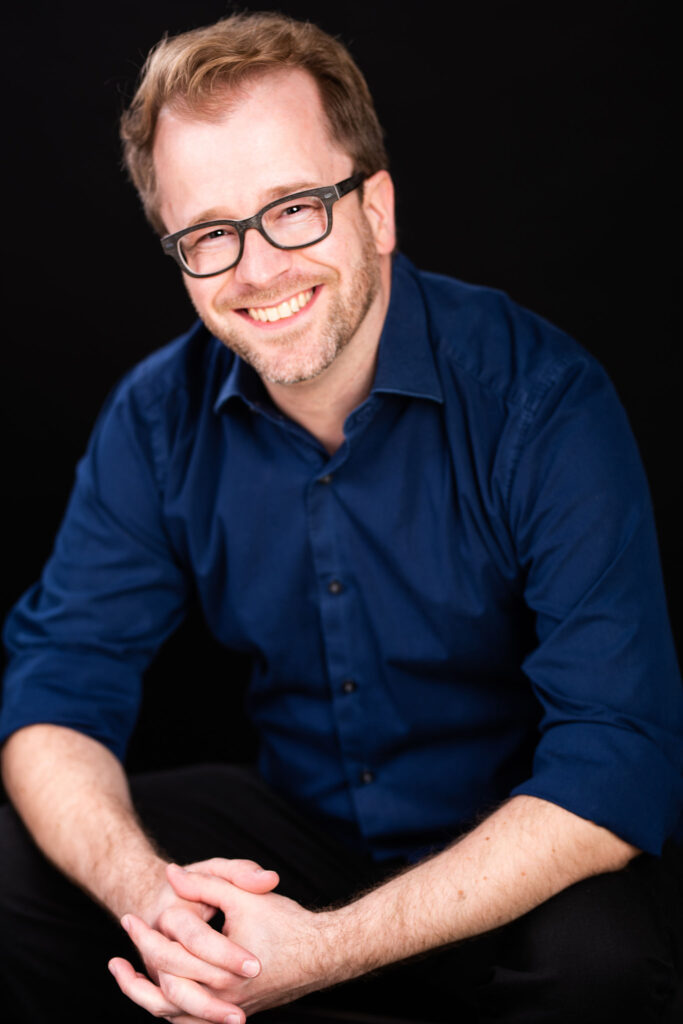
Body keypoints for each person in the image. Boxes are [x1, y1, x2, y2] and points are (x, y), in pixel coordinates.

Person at [1, 11, 681, 1023]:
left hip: (518, 852)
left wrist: (325, 952)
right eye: (210, 233)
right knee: (17, 866)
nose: (258, 267)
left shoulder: (539, 399)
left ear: (376, 208)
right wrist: (150, 899)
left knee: (605, 964)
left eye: (293, 208)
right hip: (300, 842)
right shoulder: (156, 417)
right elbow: (53, 696)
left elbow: (619, 755)